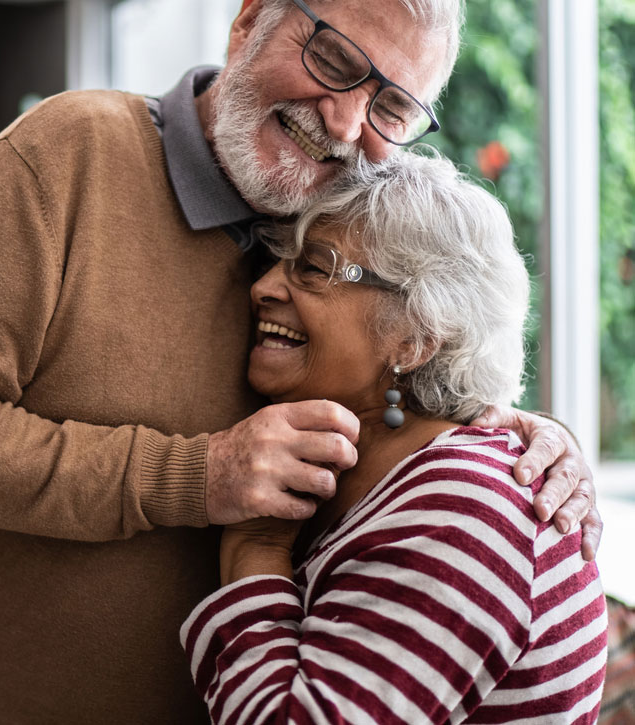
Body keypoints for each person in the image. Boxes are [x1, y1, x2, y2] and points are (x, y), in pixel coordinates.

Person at [0, 0, 600, 722]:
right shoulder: (67, 152)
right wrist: (198, 477)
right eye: (333, 58)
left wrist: (514, 434)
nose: (343, 123)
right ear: (250, 20)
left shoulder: (341, 227)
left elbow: (414, 385)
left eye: (392, 105)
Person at [182, 151, 608, 723]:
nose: (262, 287)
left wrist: (254, 550)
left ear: (414, 338)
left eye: (313, 268)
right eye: (275, 259)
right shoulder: (382, 475)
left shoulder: (468, 510)